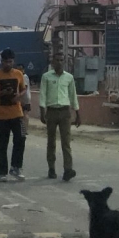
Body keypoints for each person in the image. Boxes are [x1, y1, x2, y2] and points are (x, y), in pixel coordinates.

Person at [0, 48, 26, 182]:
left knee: (20, 138)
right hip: (0, 116)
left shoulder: (18, 74)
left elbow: (24, 89)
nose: (8, 64)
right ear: (1, 61)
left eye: (10, 62)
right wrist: (1, 93)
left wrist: (18, 96)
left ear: (13, 61)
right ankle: (2, 172)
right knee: (2, 144)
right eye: (6, 62)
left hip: (17, 114)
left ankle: (16, 167)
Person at [39, 51, 81, 181]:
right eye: (57, 60)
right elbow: (43, 95)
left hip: (65, 112)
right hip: (51, 111)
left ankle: (68, 169)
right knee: (51, 142)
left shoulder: (69, 77)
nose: (60, 62)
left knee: (66, 143)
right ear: (53, 62)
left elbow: (73, 95)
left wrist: (77, 113)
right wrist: (42, 112)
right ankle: (51, 168)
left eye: (62, 60)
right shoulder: (46, 77)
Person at [17, 64, 32, 140]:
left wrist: (19, 96)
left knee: (25, 113)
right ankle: (23, 129)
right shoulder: (21, 76)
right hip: (24, 98)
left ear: (23, 70)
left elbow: (24, 88)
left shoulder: (24, 77)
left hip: (25, 98)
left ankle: (25, 130)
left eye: (21, 69)